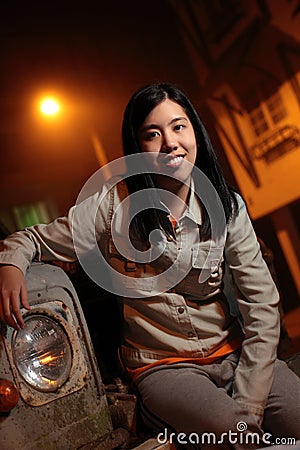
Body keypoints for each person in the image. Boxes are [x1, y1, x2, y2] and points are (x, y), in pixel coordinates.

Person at [0, 83, 299, 449]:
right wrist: (11, 265)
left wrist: (250, 402)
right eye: (152, 134)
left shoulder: (227, 207)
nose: (170, 142)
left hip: (236, 352)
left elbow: (263, 308)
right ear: (137, 148)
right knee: (237, 438)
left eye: (179, 127)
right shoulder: (110, 208)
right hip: (165, 367)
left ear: (196, 135)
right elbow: (31, 238)